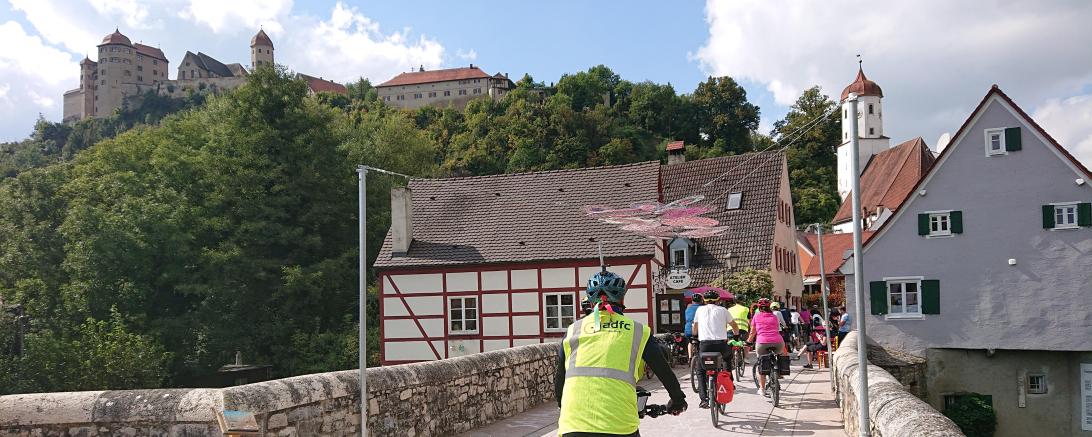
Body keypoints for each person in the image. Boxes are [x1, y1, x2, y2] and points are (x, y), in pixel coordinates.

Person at [556, 270, 687, 436]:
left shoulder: (572, 330)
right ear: (622, 299)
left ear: (589, 300)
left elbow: (560, 378)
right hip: (619, 425)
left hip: (573, 424)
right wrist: (677, 400)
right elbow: (663, 371)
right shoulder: (637, 331)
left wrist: (564, 407)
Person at [691, 290, 740, 409]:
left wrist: (694, 337)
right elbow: (734, 325)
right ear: (718, 300)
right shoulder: (723, 310)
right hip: (720, 345)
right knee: (727, 359)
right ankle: (730, 381)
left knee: (701, 371)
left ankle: (703, 399)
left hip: (705, 344)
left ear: (705, 300)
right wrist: (736, 336)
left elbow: (695, 327)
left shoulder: (699, 310)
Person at [747, 298, 786, 397]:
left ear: (759, 308)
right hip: (778, 342)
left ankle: (762, 389)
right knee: (780, 355)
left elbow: (752, 332)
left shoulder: (756, 316)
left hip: (762, 342)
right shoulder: (774, 316)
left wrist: (748, 342)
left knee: (762, 363)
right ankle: (779, 372)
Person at [727, 297, 750, 361]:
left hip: (730, 329)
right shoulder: (746, 309)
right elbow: (749, 321)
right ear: (743, 301)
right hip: (743, 330)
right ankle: (746, 358)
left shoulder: (729, 309)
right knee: (746, 343)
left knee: (730, 343)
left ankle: (730, 358)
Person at [682, 294, 704, 359]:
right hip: (699, 330)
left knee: (690, 342)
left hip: (688, 330)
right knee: (701, 343)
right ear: (701, 301)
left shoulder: (688, 309)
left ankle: (690, 357)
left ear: (692, 301)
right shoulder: (702, 309)